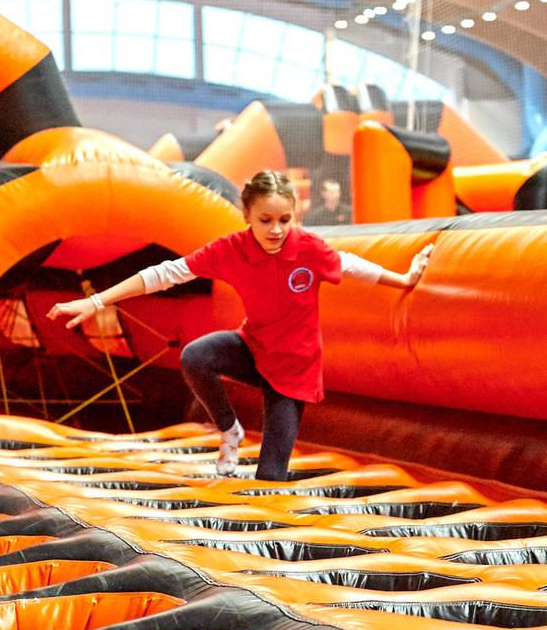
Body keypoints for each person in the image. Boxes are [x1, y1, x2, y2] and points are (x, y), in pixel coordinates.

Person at [47, 170, 432, 481]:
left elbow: (350, 264)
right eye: (265, 220)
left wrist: (404, 279)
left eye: (284, 220)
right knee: (195, 356)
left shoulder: (308, 249)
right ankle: (229, 429)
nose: (276, 230)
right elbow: (165, 274)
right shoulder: (231, 249)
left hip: (292, 370)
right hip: (253, 348)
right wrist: (95, 301)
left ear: (295, 216)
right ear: (247, 215)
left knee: (270, 476)